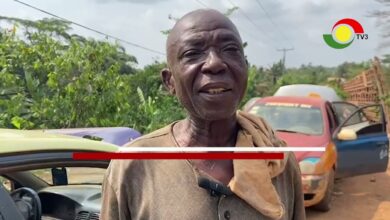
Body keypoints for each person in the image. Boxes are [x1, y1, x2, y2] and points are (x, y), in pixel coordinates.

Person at [101, 9, 305, 220]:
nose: (215, 63)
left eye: (229, 49)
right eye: (192, 53)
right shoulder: (132, 166)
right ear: (169, 81)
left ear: (246, 68)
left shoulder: (278, 160)